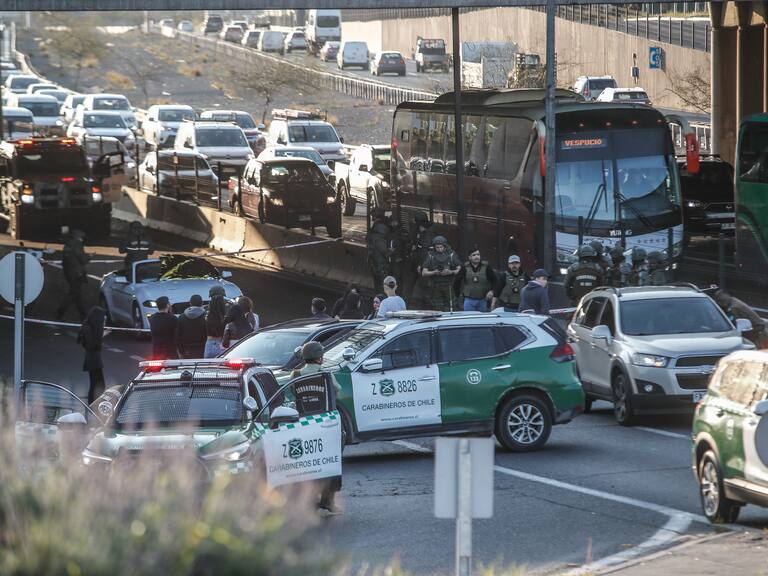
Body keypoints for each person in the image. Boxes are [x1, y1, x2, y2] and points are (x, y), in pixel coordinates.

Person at [290, 341, 341, 513]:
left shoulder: (295, 374)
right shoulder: (325, 374)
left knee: (308, 463)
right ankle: (328, 501)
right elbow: (337, 390)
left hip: (304, 425)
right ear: (319, 358)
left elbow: (292, 392)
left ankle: (309, 501)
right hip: (325, 423)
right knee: (330, 462)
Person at [57, 229, 90, 321]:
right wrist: (89, 256)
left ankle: (83, 314)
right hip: (77, 273)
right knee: (74, 294)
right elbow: (82, 259)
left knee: (77, 294)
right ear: (79, 237)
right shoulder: (78, 245)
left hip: (69, 272)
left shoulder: (67, 245)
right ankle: (61, 312)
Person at [421, 236, 461, 311]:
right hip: (435, 285)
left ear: (445, 246)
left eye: (441, 247)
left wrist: (451, 272)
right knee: (437, 307)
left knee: (452, 306)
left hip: (449, 284)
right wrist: (434, 272)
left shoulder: (451, 254)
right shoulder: (431, 255)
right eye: (437, 247)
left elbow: (460, 268)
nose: (439, 249)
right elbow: (424, 273)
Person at [405, 211, 436, 309]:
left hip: (422, 266)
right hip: (417, 265)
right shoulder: (422, 233)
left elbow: (424, 251)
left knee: (423, 290)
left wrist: (421, 265)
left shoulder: (427, 235)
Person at [453, 247, 496, 312]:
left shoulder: (486, 266)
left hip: (483, 300)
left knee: (483, 320)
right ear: (469, 257)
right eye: (474, 255)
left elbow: (495, 280)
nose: (477, 257)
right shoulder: (465, 267)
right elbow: (457, 281)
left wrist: (492, 291)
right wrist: (458, 295)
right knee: (469, 320)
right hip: (469, 300)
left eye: (478, 254)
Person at [78, 306, 106, 405]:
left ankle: (93, 403)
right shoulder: (89, 328)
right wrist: (101, 335)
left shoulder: (89, 326)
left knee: (96, 383)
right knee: (97, 383)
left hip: (93, 358)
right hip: (93, 359)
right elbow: (93, 345)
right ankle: (93, 403)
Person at [367, 208, 391, 292]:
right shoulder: (382, 226)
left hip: (379, 260)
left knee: (380, 282)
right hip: (379, 259)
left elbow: (380, 244)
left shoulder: (379, 227)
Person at [176, 294, 207, 359]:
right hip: (202, 349)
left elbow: (178, 335)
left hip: (186, 349)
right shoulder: (205, 317)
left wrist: (181, 351)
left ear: (190, 303)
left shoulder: (182, 317)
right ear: (202, 303)